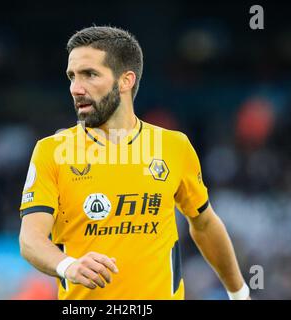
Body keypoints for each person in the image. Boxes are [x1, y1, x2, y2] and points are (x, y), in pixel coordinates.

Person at [19, 26, 250, 300]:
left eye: (89, 74)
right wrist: (67, 265)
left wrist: (239, 293)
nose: (76, 88)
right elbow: (31, 239)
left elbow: (204, 223)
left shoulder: (173, 146)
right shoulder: (52, 151)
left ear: (125, 81)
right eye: (72, 76)